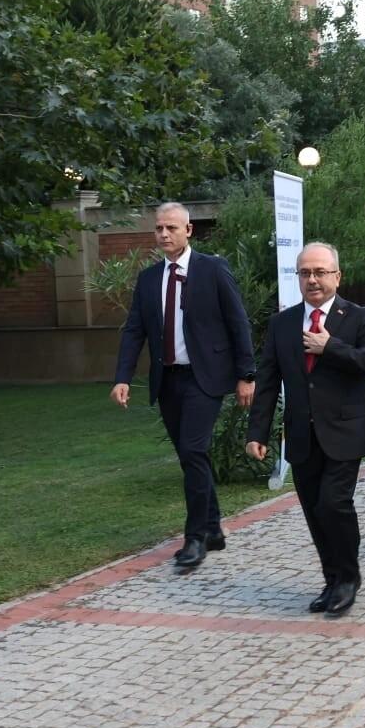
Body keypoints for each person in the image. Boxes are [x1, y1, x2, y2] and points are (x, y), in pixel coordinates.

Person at [111, 202, 255, 569]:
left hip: (204, 378)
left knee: (192, 450)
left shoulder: (212, 269)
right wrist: (123, 378)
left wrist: (246, 375)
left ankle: (195, 539)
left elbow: (238, 322)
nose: (164, 235)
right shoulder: (148, 280)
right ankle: (214, 527)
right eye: (159, 228)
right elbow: (134, 332)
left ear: (188, 230)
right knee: (191, 456)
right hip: (168, 380)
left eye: (171, 228)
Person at [246, 243, 365, 615]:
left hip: (345, 433)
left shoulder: (358, 317)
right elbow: (268, 381)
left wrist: (331, 347)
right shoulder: (283, 324)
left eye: (321, 272)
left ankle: (348, 578)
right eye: (305, 273)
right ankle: (331, 579)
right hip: (303, 435)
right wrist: (257, 433)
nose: (313, 280)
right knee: (313, 509)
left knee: (334, 504)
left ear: (337, 276)